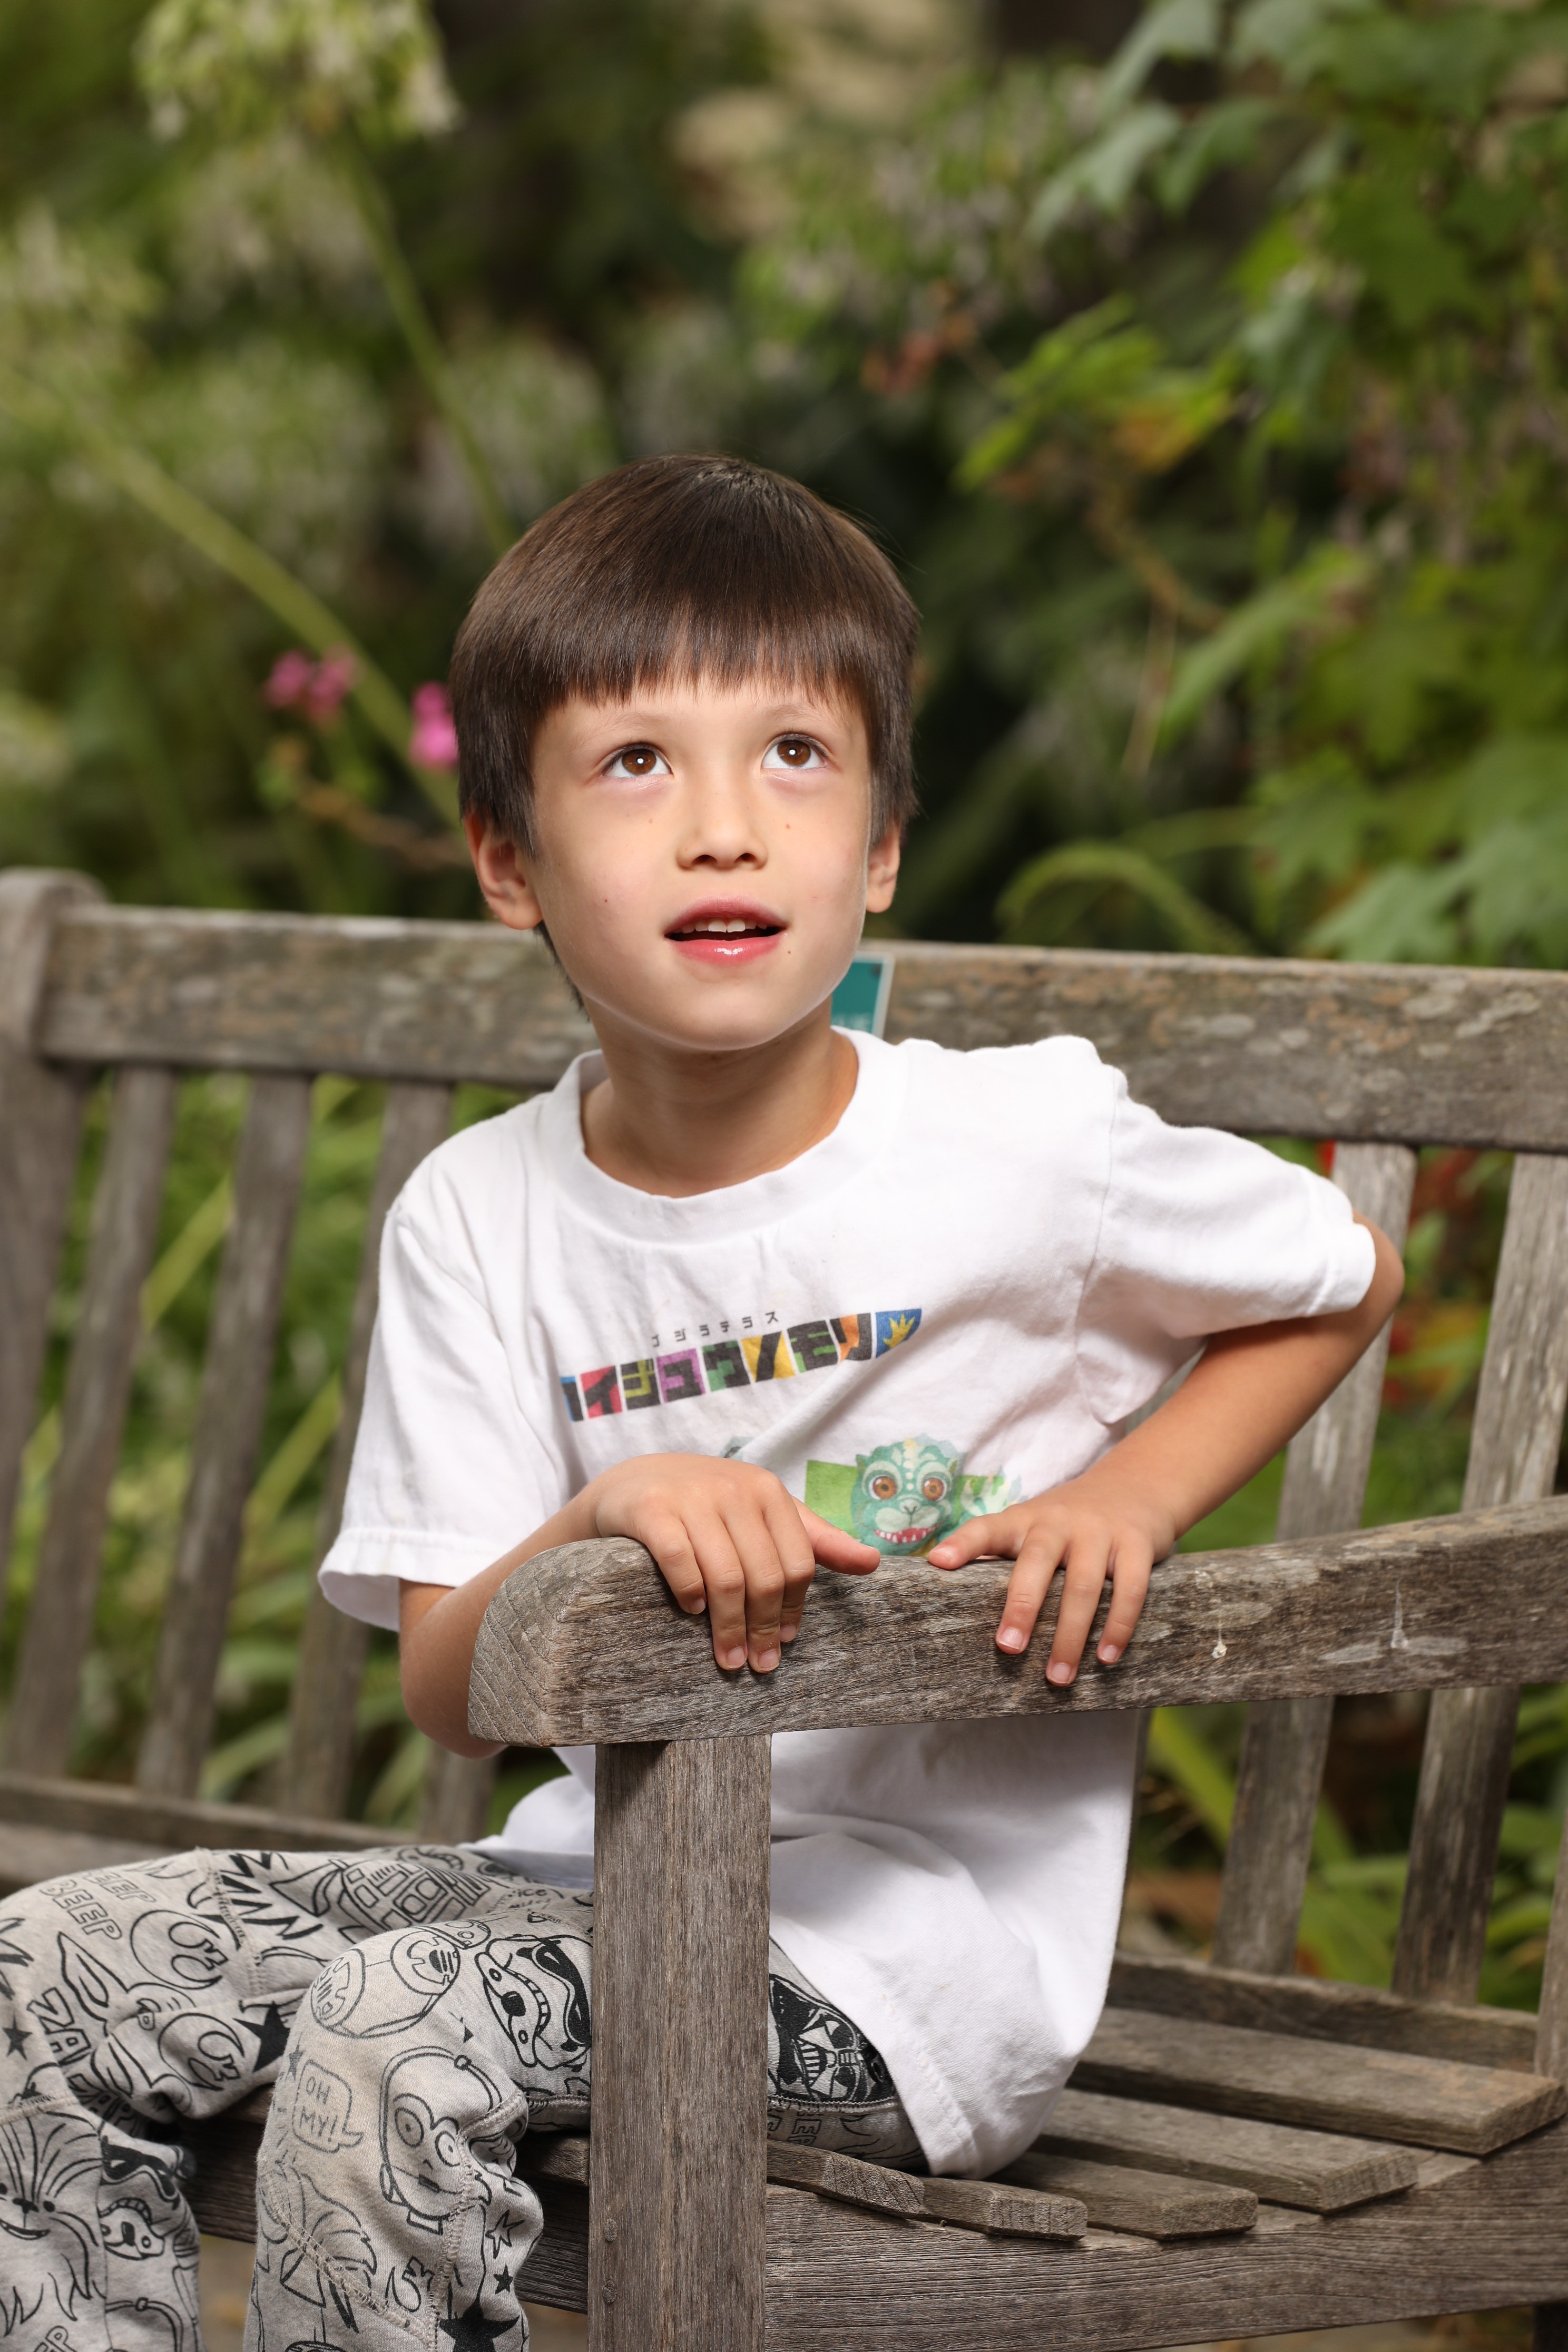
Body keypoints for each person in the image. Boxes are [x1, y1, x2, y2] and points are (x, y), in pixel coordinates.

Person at [0, 454, 1404, 2352]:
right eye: (637, 763)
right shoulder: (479, 1213)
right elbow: (453, 1689)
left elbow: (1341, 1271)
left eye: (795, 757)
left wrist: (1130, 1499)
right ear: (510, 859)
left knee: (397, 2032)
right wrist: (597, 1522)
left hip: (907, 1969)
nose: (725, 829)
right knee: (40, 1972)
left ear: (882, 847)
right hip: (580, 1894)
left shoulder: (1022, 1148)